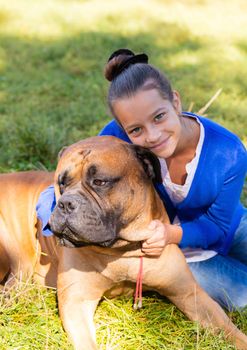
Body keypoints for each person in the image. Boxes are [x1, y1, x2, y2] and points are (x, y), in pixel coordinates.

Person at [36, 48, 247, 311]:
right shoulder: (116, 144)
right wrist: (55, 218)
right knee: (242, 295)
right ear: (122, 129)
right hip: (171, 249)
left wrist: (171, 233)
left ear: (176, 102)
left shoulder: (228, 152)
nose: (153, 135)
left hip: (221, 226)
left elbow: (218, 225)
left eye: (159, 116)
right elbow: (68, 186)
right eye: (136, 129)